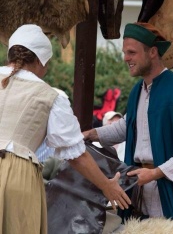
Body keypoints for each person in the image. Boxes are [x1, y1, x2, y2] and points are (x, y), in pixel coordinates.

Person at [0, 24, 131, 234]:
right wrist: (106, 185)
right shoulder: (51, 96)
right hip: (17, 176)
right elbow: (76, 155)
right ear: (42, 61)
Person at [83, 22, 173, 227]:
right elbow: (128, 127)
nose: (126, 58)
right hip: (141, 188)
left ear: (152, 52)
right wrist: (91, 134)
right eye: (125, 52)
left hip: (172, 191)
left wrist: (154, 173)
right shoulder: (138, 91)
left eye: (132, 52)